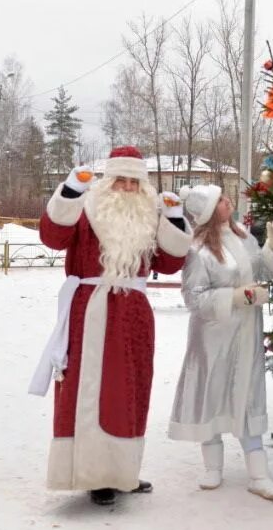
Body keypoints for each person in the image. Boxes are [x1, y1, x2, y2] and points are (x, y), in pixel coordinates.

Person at [28, 146, 192, 506]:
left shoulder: (149, 217)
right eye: (121, 180)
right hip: (89, 314)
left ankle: (123, 472)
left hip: (132, 317)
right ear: (108, 180)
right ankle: (94, 474)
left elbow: (168, 263)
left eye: (135, 182)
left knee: (129, 392)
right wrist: (71, 190)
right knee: (89, 393)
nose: (128, 188)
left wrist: (176, 218)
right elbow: (52, 238)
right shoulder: (87, 210)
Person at [168, 185, 273, 501]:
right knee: (213, 393)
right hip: (213, 339)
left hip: (246, 334)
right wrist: (234, 298)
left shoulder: (245, 237)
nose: (228, 201)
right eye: (221, 200)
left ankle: (258, 475)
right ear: (209, 211)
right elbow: (193, 297)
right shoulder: (198, 250)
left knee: (247, 396)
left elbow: (262, 270)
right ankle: (212, 467)